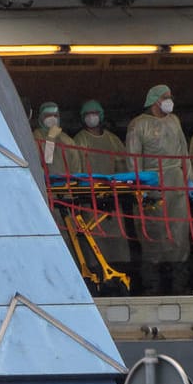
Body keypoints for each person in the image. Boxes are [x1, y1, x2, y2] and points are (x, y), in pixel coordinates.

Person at [125, 85, 193, 294]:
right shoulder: (138, 125)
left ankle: (179, 286)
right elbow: (133, 160)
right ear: (155, 100)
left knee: (179, 234)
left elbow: (184, 152)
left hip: (176, 186)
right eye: (165, 97)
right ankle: (152, 287)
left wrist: (189, 180)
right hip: (152, 185)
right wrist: (140, 188)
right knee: (153, 235)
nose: (169, 101)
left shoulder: (174, 121)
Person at [68, 99, 132, 265]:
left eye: (94, 114)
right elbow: (76, 167)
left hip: (112, 194)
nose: (92, 117)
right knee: (94, 235)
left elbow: (122, 166)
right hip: (89, 196)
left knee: (116, 237)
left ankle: (120, 268)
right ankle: (97, 269)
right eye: (88, 114)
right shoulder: (80, 140)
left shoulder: (112, 141)